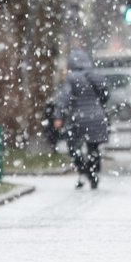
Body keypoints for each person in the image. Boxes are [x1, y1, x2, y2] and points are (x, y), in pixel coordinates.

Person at [53, 49, 109, 189]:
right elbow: (105, 95)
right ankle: (94, 173)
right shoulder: (96, 76)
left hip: (78, 118)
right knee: (93, 148)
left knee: (74, 147)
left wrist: (59, 116)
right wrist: (96, 106)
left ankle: (83, 172)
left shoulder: (71, 78)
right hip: (97, 117)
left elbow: (64, 98)